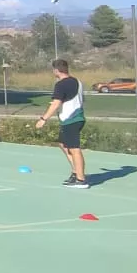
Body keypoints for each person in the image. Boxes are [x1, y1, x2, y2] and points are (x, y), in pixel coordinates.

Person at [37, 59, 89, 188]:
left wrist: (43, 119)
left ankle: (81, 180)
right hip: (75, 118)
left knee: (74, 148)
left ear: (56, 70)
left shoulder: (60, 85)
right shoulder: (77, 82)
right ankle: (75, 172)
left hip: (72, 119)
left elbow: (56, 103)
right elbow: (78, 99)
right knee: (63, 144)